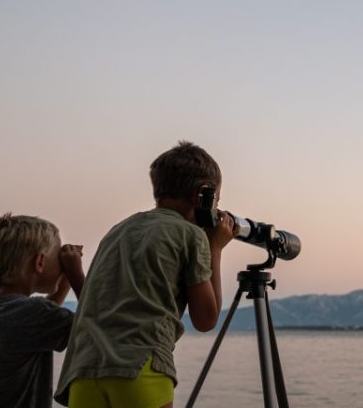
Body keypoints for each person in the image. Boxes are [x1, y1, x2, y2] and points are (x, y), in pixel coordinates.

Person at [54, 141, 236, 408]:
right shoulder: (192, 235)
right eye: (216, 200)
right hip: (141, 367)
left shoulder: (118, 231)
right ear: (203, 196)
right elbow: (206, 319)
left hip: (83, 370)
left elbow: (93, 301)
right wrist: (215, 247)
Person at [0, 213, 86, 408]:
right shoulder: (35, 314)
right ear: (40, 262)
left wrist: (64, 280)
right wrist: (75, 274)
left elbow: (38, 322)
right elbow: (97, 324)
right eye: (58, 258)